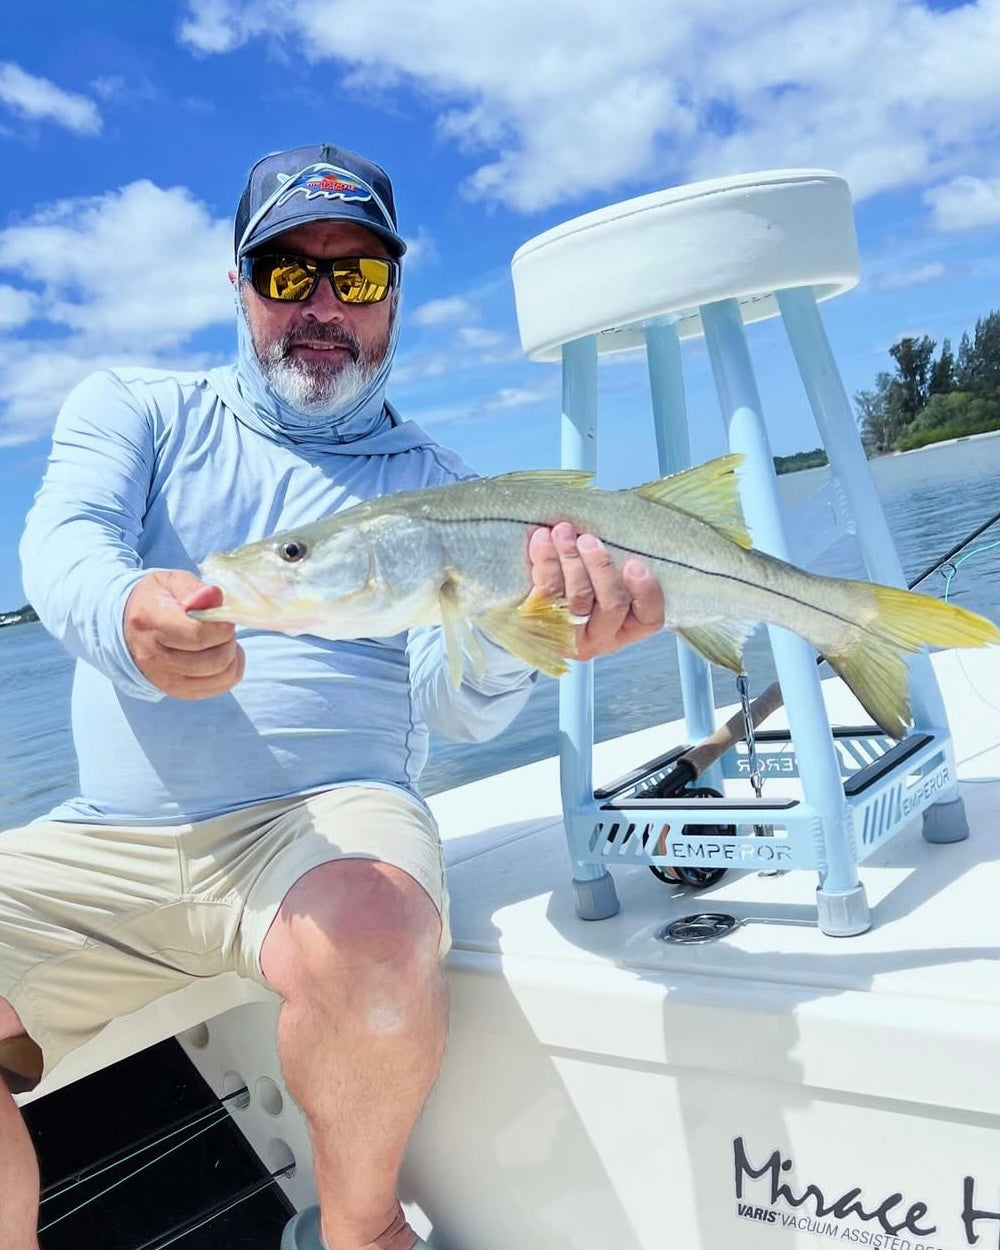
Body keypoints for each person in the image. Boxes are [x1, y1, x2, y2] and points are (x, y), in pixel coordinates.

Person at [0, 143, 665, 1250]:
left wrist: (540, 632)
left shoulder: (452, 490)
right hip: (110, 838)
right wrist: (125, 612)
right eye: (285, 272)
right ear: (239, 284)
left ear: (394, 294)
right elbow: (63, 542)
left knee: (370, 922)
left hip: (322, 825)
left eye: (353, 275)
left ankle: (361, 1231)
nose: (319, 304)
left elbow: (455, 710)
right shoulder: (140, 410)